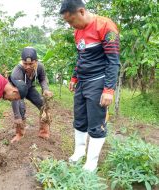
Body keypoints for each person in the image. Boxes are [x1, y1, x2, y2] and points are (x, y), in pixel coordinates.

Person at [60, 0, 120, 171]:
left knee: (96, 123)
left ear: (81, 11)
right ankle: (79, 152)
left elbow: (113, 61)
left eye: (71, 21)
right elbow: (81, 58)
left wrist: (108, 89)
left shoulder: (106, 26)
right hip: (83, 82)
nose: (71, 25)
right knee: (79, 120)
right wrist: (74, 77)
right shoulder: (77, 32)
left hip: (98, 81)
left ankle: (91, 162)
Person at [10, 47, 53, 143]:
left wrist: (45, 89)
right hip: (18, 92)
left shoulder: (40, 67)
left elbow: (42, 78)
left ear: (36, 61)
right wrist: (17, 116)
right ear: (22, 61)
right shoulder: (17, 71)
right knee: (20, 108)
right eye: (25, 64)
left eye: (31, 64)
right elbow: (14, 94)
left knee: (43, 105)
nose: (28, 66)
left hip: (29, 88)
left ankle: (44, 132)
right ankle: (19, 133)